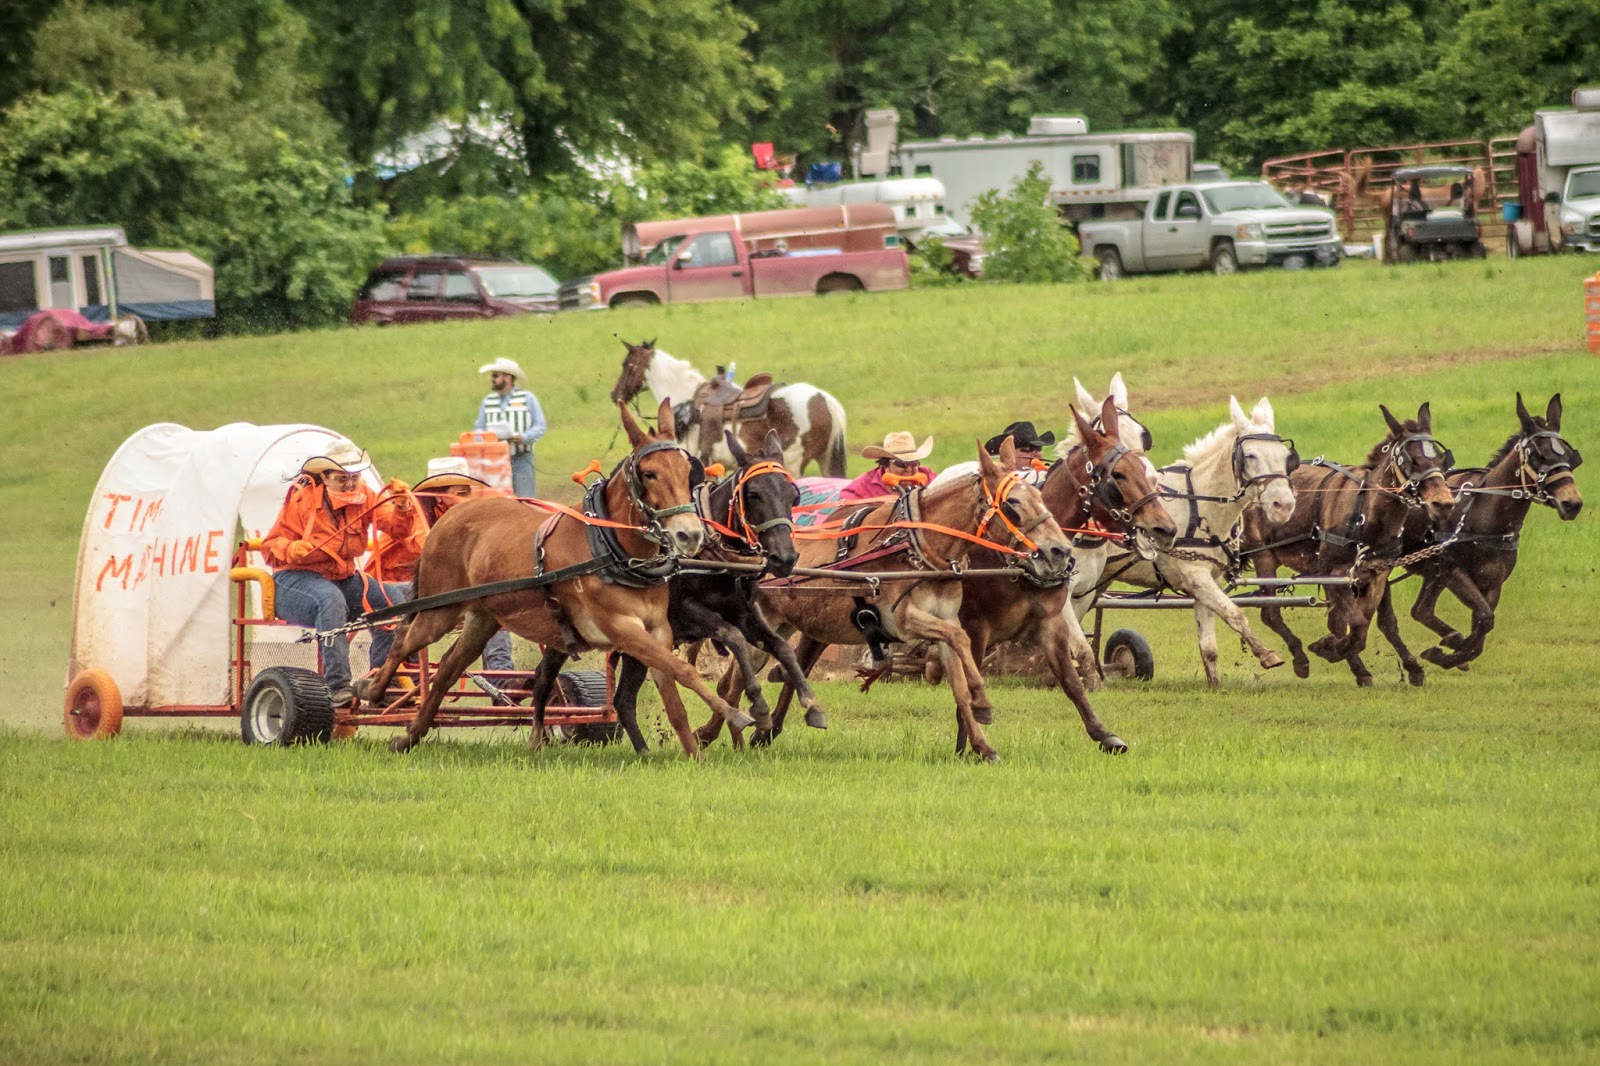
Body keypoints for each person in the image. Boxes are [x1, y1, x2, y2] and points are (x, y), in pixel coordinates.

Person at [262, 439, 414, 707]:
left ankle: (381, 682)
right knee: (330, 599)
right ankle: (337, 686)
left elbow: (397, 529)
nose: (350, 485)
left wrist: (403, 507)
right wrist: (292, 549)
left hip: (342, 579)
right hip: (294, 581)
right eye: (342, 479)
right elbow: (270, 547)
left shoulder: (365, 496)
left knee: (391, 599)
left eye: (354, 478)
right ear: (325, 477)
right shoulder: (302, 500)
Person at [363, 460, 514, 673]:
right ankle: (395, 677)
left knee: (492, 603)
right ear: (439, 494)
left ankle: (502, 677)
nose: (466, 499)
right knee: (405, 605)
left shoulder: (461, 517)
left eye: (467, 492)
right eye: (460, 492)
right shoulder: (416, 514)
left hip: (437, 590)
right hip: (393, 586)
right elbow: (430, 552)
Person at [474, 357, 546, 499]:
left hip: (521, 458)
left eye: (495, 375)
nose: (492, 379)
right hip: (494, 461)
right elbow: (478, 428)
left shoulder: (527, 398)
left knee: (526, 499)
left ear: (507, 378)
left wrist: (524, 437)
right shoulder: (488, 401)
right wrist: (486, 439)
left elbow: (540, 425)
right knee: (497, 500)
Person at [840, 431, 936, 501]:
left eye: (914, 463)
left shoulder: (931, 479)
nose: (909, 469)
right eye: (901, 464)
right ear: (885, 465)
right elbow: (845, 505)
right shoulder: (862, 486)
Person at [984, 421, 1056, 471]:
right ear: (1009, 453)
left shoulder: (1051, 476)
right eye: (1027, 448)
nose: (1036, 452)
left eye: (1039, 447)